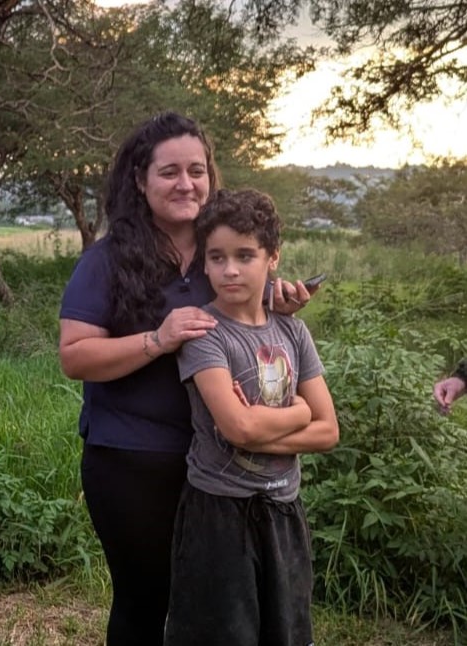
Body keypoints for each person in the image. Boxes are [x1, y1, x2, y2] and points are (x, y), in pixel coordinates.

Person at [57, 112, 315, 645]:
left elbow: (249, 322)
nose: (186, 184)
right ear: (140, 180)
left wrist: (276, 299)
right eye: (169, 172)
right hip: (131, 463)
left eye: (196, 170)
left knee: (212, 606)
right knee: (144, 601)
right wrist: (159, 338)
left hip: (218, 469)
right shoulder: (106, 261)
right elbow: (75, 357)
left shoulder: (222, 255)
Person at [163, 189, 339, 646]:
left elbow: (328, 430)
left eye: (245, 255)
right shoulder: (204, 334)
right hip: (219, 513)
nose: (231, 270)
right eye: (217, 257)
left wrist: (262, 424)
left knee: (287, 631)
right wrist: (297, 412)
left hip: (283, 508)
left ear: (273, 257)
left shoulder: (293, 331)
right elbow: (236, 428)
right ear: (203, 262)